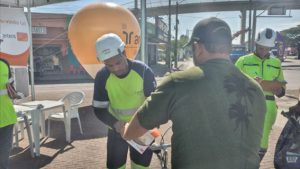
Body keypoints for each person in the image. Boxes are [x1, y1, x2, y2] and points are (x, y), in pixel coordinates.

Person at [123, 17, 266, 168]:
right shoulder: (255, 89)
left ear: (198, 47)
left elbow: (134, 131)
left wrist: (125, 129)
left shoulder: (178, 82)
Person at [92, 33, 156, 169]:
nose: (116, 68)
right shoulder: (102, 77)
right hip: (116, 130)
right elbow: (99, 109)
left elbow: (154, 104)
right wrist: (117, 124)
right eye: (109, 65)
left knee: (141, 167)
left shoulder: (143, 71)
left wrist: (148, 126)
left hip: (141, 128)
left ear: (124, 52)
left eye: (118, 62)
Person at [235, 28, 286, 161]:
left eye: (266, 49)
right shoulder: (243, 61)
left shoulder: (276, 63)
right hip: (246, 106)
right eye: (261, 48)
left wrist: (277, 89)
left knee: (262, 144)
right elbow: (231, 84)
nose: (263, 52)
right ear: (256, 44)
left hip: (269, 108)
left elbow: (282, 91)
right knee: (243, 142)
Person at [0, 58, 17, 169]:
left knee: (4, 156)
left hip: (7, 117)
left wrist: (13, 92)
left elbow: (11, 88)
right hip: (7, 117)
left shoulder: (5, 63)